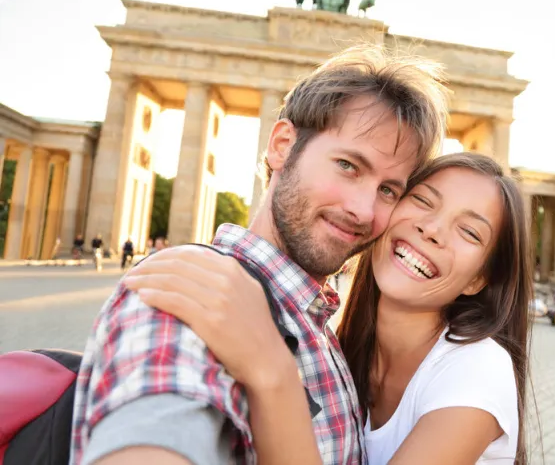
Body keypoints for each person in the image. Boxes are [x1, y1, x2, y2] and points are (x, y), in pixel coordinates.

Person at [69, 44, 449, 465]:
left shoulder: (318, 322)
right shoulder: (186, 298)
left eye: (388, 190)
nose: (363, 209)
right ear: (283, 145)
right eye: (347, 166)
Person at [124, 153, 531, 464]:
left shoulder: (477, 369)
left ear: (480, 279)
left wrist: (271, 368)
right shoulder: (340, 349)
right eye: (423, 200)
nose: (433, 229)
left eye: (469, 231)